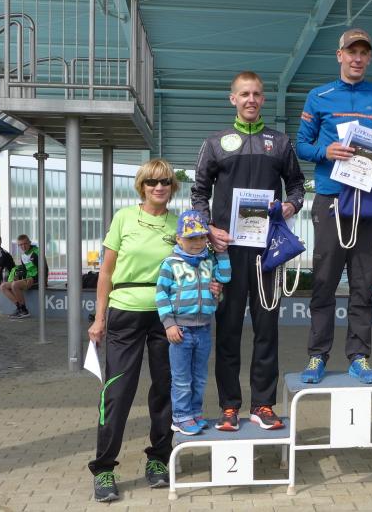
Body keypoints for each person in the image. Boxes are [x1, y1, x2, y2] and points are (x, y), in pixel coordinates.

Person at [192, 71, 305, 432]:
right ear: (233, 99)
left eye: (256, 94)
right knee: (227, 330)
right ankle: (229, 406)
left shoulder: (280, 143)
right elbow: (199, 192)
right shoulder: (215, 143)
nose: (251, 100)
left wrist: (291, 206)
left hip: (267, 253)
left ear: (263, 99)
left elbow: (298, 186)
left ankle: (263, 404)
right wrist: (209, 229)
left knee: (267, 329)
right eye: (244, 94)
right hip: (227, 252)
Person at [296, 27, 372, 384]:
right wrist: (325, 151)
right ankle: (317, 355)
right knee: (324, 281)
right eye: (351, 52)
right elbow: (301, 145)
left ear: (369, 58)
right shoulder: (319, 96)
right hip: (331, 198)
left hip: (369, 200)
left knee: (364, 283)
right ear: (339, 55)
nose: (357, 58)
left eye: (363, 53)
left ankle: (359, 356)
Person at [87, 159, 181, 503]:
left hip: (166, 316)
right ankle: (104, 468)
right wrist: (99, 318)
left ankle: (158, 460)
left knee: (165, 389)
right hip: (124, 312)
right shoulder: (124, 218)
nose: (159, 187)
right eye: (152, 182)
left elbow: (192, 264)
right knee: (118, 392)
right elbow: (105, 273)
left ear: (172, 187)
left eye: (165, 181)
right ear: (142, 186)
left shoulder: (179, 223)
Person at [156, 210, 231, 436]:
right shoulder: (170, 264)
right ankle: (180, 417)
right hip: (180, 330)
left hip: (204, 329)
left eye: (201, 237)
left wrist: (222, 252)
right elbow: (161, 294)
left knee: (199, 378)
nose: (197, 243)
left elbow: (225, 277)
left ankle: (195, 413)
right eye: (191, 238)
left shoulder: (208, 260)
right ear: (179, 239)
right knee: (181, 379)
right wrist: (169, 324)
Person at [0, 235, 41, 319]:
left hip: (37, 279)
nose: (23, 246)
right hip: (28, 279)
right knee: (3, 286)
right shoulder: (23, 255)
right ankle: (19, 308)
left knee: (15, 285)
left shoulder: (37, 252)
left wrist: (41, 281)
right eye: (21, 245)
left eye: (25, 244)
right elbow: (25, 270)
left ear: (29, 243)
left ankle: (24, 311)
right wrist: (19, 277)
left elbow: (44, 269)